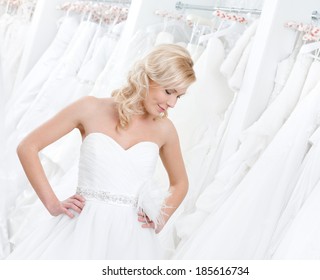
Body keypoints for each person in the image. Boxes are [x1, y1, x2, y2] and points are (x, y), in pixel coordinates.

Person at [6, 44, 196, 259]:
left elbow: (180, 183)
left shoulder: (165, 129)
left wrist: (160, 218)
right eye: (169, 91)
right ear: (148, 78)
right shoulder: (90, 108)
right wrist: (52, 203)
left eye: (179, 96)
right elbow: (28, 147)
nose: (171, 103)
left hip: (132, 240)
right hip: (80, 230)